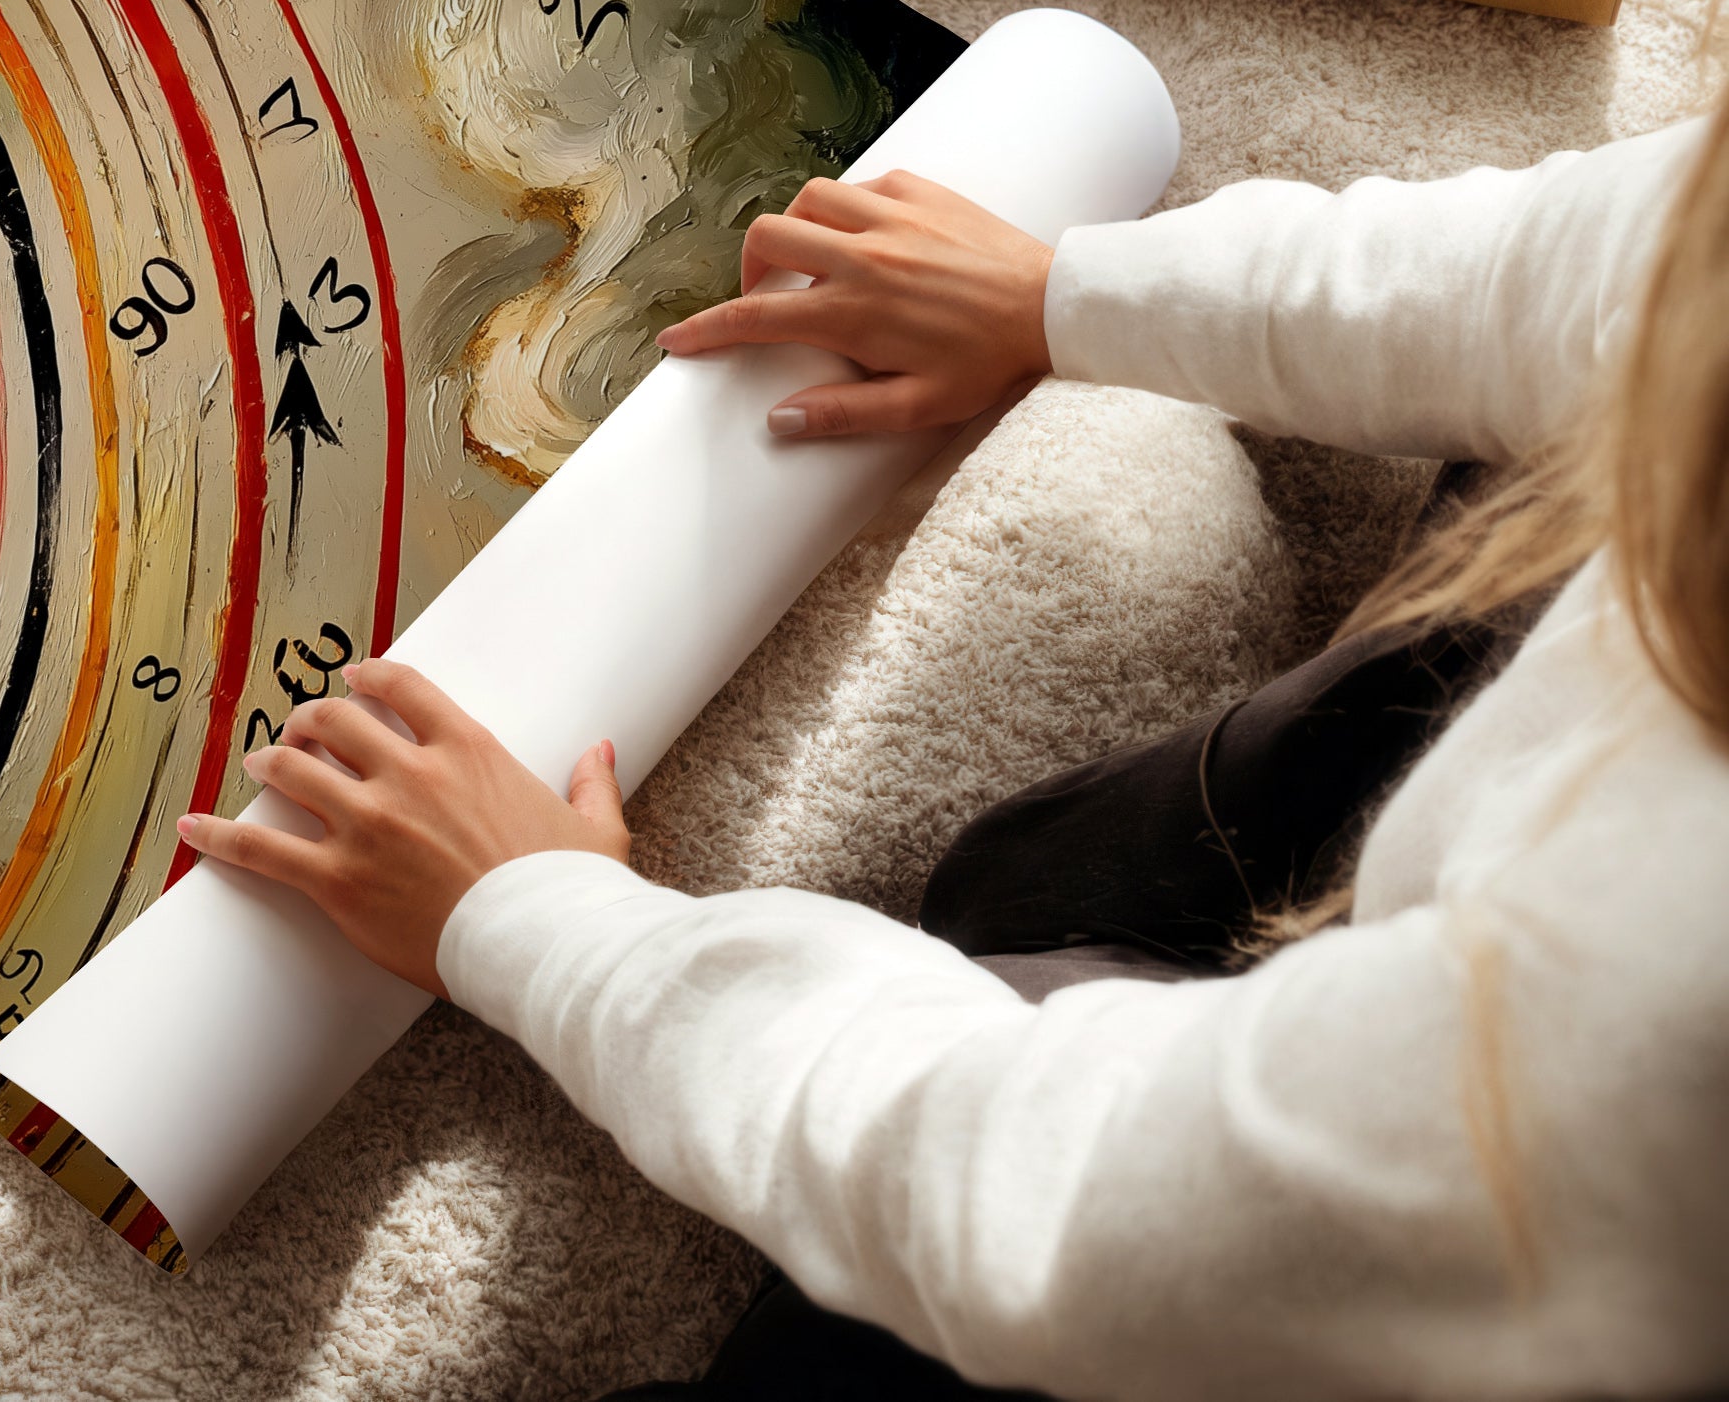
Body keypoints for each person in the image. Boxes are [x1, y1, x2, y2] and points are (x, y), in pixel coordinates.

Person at [179, 112, 1729, 1399]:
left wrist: (541, 923)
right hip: (1523, 965)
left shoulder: (1653, 1020)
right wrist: (1064, 293)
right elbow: (1606, 261)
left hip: (1508, 1261)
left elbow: (1055, 1202)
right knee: (1033, 880)